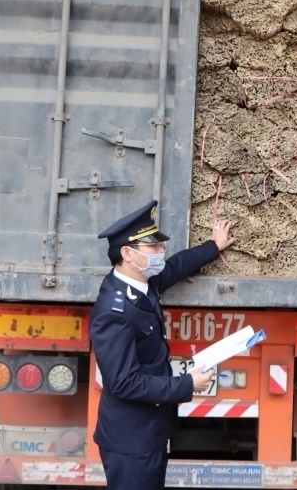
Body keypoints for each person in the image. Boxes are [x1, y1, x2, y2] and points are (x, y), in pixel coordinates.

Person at [90, 200, 234, 490]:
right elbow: (123, 383)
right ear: (128, 253)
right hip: (131, 441)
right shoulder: (113, 311)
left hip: (148, 431)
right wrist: (186, 383)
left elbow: (176, 266)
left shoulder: (140, 283)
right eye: (153, 248)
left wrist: (213, 246)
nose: (161, 251)